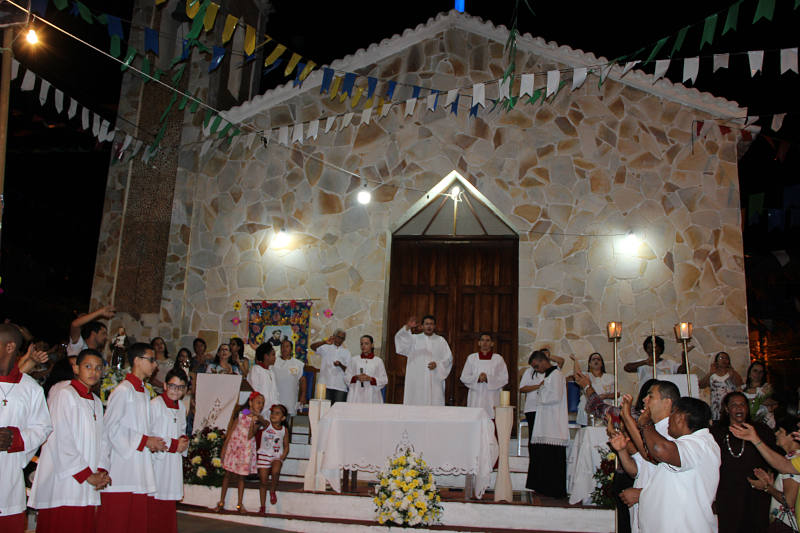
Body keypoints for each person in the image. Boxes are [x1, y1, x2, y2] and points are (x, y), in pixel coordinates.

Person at [28, 349, 110, 533]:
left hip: (89, 479)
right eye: (88, 366)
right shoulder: (64, 394)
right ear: (76, 368)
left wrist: (100, 470)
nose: (94, 372)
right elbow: (60, 439)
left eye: (98, 368)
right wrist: (86, 475)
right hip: (65, 480)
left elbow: (103, 439)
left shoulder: (96, 401)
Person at [621, 395, 720, 533]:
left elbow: (659, 449)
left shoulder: (699, 443)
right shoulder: (688, 445)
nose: (669, 419)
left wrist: (646, 424)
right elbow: (655, 458)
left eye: (672, 413)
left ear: (680, 417)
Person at [97, 342, 166, 533]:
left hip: (138, 463)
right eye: (151, 360)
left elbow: (140, 426)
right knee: (119, 520)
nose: (155, 365)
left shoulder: (143, 391)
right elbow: (111, 428)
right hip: (123, 465)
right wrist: (145, 440)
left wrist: (152, 441)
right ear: (137, 360)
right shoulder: (123, 391)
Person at [0, 324, 53, 533]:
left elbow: (43, 427)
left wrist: (16, 439)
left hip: (7, 484)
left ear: (9, 347)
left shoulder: (31, 388)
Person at [608, 381, 679, 533]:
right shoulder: (652, 429)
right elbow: (636, 470)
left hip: (661, 512)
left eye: (650, 396)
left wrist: (627, 417)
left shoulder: (672, 432)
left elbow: (650, 455)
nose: (644, 400)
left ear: (667, 402)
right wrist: (622, 451)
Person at [711, 391, 776, 533]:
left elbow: (775, 458)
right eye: (734, 405)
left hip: (756, 493)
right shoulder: (716, 433)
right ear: (727, 409)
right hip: (728, 494)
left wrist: (769, 479)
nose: (739, 408)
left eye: (742, 404)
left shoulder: (761, 431)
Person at [147, 368, 189, 533]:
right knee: (156, 501)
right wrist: (173, 444)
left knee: (169, 502)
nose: (176, 391)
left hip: (173, 462)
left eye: (180, 387)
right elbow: (150, 434)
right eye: (172, 386)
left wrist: (183, 441)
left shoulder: (181, 407)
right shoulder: (155, 405)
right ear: (165, 386)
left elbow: (182, 429)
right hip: (158, 461)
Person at [746, 416, 800, 532]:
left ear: (792, 436)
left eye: (780, 431)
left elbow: (788, 501)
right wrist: (772, 484)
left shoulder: (792, 459)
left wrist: (767, 487)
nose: (776, 434)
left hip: (786, 525)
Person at [525, 350, 568, 498]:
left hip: (554, 423)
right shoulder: (549, 376)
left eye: (536, 366)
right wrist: (541, 390)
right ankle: (544, 488)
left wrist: (540, 392)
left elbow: (555, 396)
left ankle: (555, 490)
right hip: (546, 421)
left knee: (553, 457)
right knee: (545, 455)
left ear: (543, 361)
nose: (536, 370)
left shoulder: (556, 375)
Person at [217, 392, 265, 513]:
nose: (260, 405)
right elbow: (232, 429)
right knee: (227, 474)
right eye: (258, 402)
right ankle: (221, 501)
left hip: (245, 448)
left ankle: (239, 504)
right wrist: (225, 447)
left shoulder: (258, 420)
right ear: (251, 402)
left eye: (262, 403)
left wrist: (254, 422)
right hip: (234, 446)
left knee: (241, 477)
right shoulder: (244, 413)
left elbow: (250, 435)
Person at [394, 315, 453, 406]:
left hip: (435, 381)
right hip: (417, 381)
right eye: (426, 324)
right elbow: (401, 342)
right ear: (422, 326)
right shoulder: (414, 339)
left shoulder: (441, 341)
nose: (429, 326)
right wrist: (408, 327)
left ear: (435, 326)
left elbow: (448, 359)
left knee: (435, 405)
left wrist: (437, 364)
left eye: (431, 324)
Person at [460, 332, 508, 418]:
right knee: (475, 417)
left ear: (492, 343)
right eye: (482, 340)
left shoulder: (498, 359)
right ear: (479, 343)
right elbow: (464, 377)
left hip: (492, 396)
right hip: (476, 396)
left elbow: (504, 378)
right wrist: (477, 378)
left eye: (487, 340)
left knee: (491, 416)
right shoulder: (472, 358)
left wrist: (488, 378)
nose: (485, 343)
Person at [256, 404, 290, 512]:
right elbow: (259, 418)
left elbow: (286, 445)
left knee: (275, 471)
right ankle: (262, 506)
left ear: (283, 418)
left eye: (277, 413)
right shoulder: (267, 425)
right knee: (263, 481)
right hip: (264, 454)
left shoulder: (284, 430)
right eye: (272, 412)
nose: (273, 415)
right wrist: (247, 411)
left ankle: (272, 490)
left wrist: (283, 456)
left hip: (276, 455)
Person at [699, 351, 743, 421]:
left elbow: (740, 384)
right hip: (716, 405)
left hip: (729, 403)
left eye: (726, 358)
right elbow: (701, 385)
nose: (724, 360)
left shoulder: (732, 373)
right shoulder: (712, 375)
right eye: (721, 358)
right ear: (716, 361)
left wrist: (733, 374)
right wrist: (710, 373)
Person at [574, 352, 615, 426]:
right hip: (587, 408)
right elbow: (577, 376)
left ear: (602, 364)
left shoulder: (610, 377)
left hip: (604, 409)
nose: (596, 361)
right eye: (593, 359)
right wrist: (575, 360)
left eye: (598, 359)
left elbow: (617, 393)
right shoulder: (586, 376)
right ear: (589, 364)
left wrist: (605, 396)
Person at [310, 329, 351, 404]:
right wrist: (324, 342)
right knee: (324, 408)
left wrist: (340, 365)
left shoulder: (346, 352)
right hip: (325, 385)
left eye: (342, 338)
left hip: (340, 387)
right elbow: (312, 347)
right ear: (334, 336)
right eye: (338, 337)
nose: (340, 340)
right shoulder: (325, 347)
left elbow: (348, 370)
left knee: (338, 410)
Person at [344, 335, 388, 404]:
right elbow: (346, 376)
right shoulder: (354, 360)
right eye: (361, 344)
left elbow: (384, 379)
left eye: (366, 343)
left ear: (372, 345)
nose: (363, 346)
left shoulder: (378, 361)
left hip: (372, 395)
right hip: (356, 394)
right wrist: (356, 377)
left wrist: (370, 379)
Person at [273, 339, 307, 418]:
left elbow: (303, 380)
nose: (284, 349)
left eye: (287, 346)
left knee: (287, 417)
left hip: (290, 397)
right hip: (275, 397)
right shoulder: (274, 361)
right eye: (282, 346)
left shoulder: (298, 364)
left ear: (291, 349)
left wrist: (303, 395)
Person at [519, 351, 543, 452]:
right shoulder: (529, 371)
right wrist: (538, 386)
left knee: (543, 436)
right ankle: (533, 458)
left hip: (545, 408)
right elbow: (522, 388)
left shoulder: (551, 372)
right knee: (533, 436)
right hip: (532, 408)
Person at [247, 343, 279, 416]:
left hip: (270, 411)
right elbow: (254, 391)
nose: (275, 358)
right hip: (260, 410)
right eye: (273, 355)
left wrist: (276, 406)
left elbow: (275, 392)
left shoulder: (271, 371)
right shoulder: (256, 369)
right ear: (266, 356)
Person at [744, 360, 776, 428]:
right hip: (747, 421)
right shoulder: (742, 388)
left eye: (760, 372)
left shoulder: (767, 388)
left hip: (764, 421)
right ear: (749, 373)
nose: (757, 374)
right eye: (755, 371)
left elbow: (772, 402)